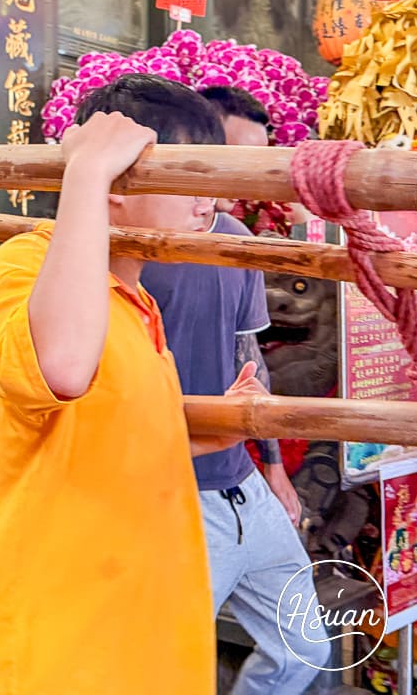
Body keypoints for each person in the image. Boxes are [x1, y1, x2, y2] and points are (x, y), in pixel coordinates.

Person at [0, 74, 268, 694]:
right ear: (116, 186)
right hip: (45, 654)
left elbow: (89, 441)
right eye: (187, 178)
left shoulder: (136, 304)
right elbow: (63, 368)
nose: (207, 202)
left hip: (127, 643)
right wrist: (83, 173)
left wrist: (205, 435)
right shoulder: (24, 266)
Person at [140, 84, 329, 692]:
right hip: (170, 492)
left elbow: (249, 355)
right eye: (236, 157)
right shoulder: (131, 244)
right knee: (163, 666)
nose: (248, 177)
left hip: (242, 484)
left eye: (260, 161)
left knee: (305, 643)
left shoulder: (236, 238)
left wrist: (272, 466)